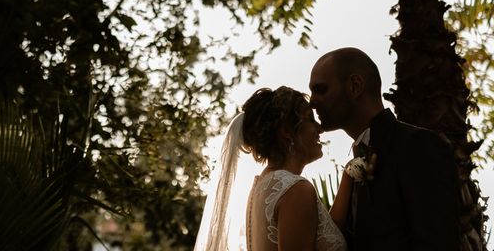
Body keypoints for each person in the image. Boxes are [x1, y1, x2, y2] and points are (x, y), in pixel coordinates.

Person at [309, 47, 460, 250]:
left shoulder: (418, 146)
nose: (312, 102)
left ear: (355, 86)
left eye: (321, 89)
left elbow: (438, 242)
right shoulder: (354, 168)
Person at [194, 86, 350, 251]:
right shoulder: (296, 190)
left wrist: (348, 176)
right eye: (310, 120)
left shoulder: (263, 187)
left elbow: (323, 234)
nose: (320, 129)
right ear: (287, 132)